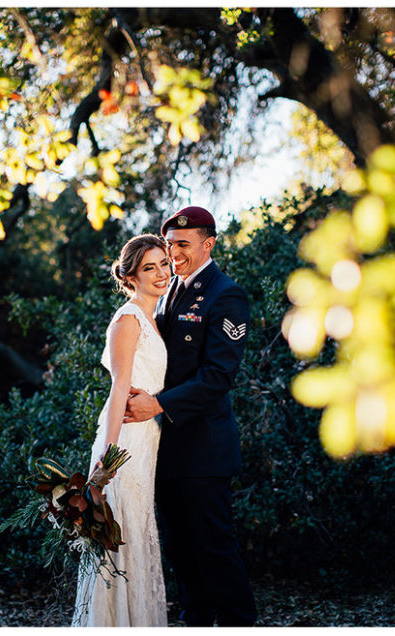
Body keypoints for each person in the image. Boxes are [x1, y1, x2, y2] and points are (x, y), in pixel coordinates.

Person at [125, 206, 259, 626]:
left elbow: (218, 377)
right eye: (170, 244)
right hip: (163, 448)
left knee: (215, 550)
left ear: (209, 244)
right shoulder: (167, 292)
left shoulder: (226, 295)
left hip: (204, 448)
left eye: (183, 244)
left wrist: (159, 404)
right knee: (182, 554)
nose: (174, 252)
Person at [72, 234, 170, 627]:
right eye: (150, 267)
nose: (162, 272)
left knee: (137, 531)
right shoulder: (128, 320)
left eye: (164, 263)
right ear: (130, 276)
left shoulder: (153, 318)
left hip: (149, 440)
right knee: (121, 536)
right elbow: (118, 392)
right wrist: (105, 462)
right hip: (125, 442)